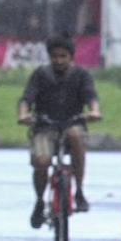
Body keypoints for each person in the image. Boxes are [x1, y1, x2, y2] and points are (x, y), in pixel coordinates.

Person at [17, 34, 102, 228]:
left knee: (76, 136)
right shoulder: (40, 75)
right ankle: (40, 200)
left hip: (72, 123)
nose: (59, 61)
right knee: (42, 162)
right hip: (45, 126)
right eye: (55, 56)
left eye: (63, 56)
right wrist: (24, 115)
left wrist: (94, 111)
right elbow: (26, 98)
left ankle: (79, 191)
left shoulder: (81, 75)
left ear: (71, 57)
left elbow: (91, 96)